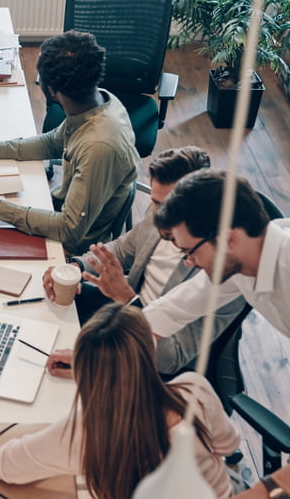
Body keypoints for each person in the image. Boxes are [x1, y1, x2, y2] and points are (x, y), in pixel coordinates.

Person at [0, 304, 241, 499]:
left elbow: (4, 466)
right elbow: (229, 446)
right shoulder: (195, 389)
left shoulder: (89, 430)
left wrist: (93, 380)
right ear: (151, 350)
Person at [145, 169, 290, 499]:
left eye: (190, 252)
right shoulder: (245, 258)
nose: (190, 263)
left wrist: (267, 494)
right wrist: (103, 350)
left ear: (227, 238)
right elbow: (176, 307)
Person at [42, 145, 245, 376]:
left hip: (147, 354)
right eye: (156, 202)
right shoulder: (160, 209)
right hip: (122, 311)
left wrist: (126, 299)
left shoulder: (225, 270)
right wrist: (75, 266)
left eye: (168, 205)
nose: (160, 215)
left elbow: (170, 360)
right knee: (43, 307)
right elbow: (122, 248)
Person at [0, 31, 139, 254]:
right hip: (64, 209)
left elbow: (69, 230)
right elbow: (53, 143)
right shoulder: (99, 100)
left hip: (72, 245)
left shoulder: (98, 146)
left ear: (52, 91)